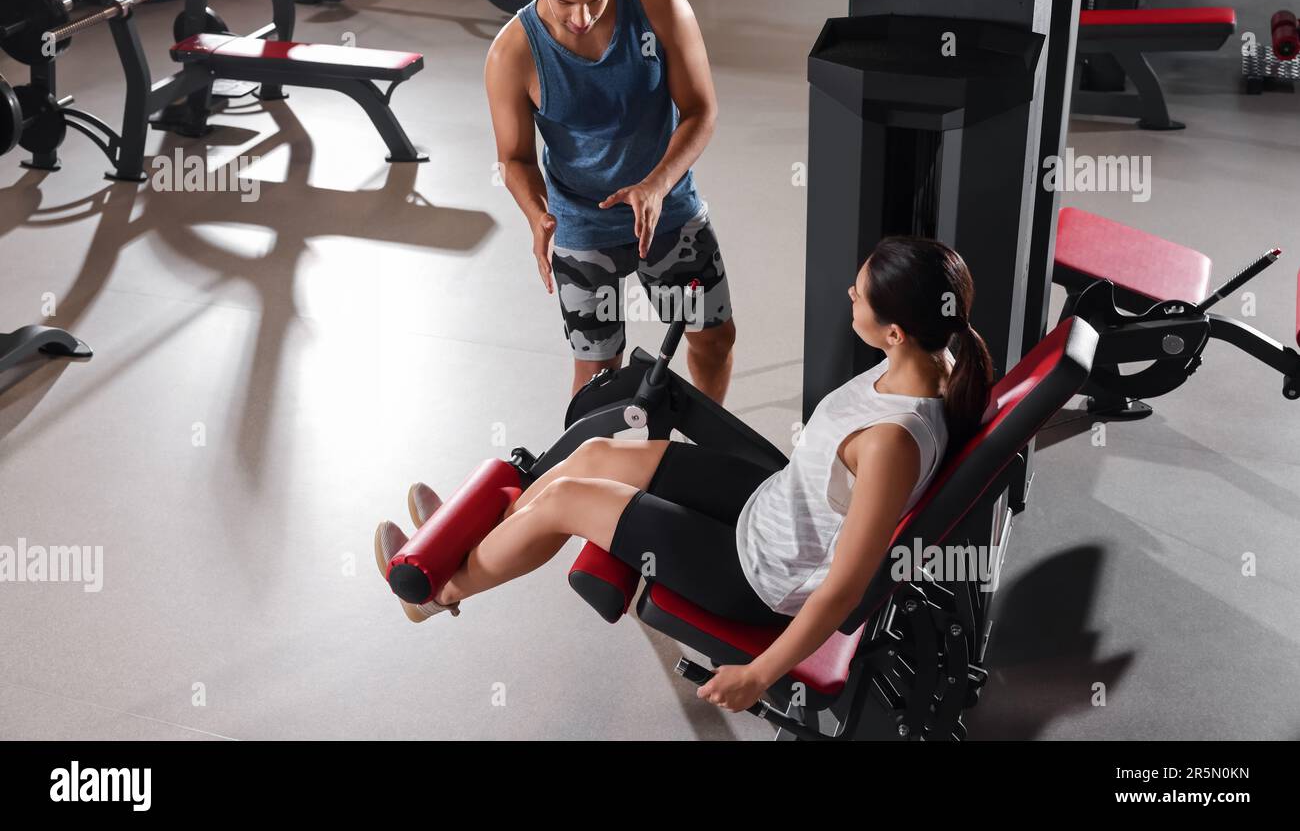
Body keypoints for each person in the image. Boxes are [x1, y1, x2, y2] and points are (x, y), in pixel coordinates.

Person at [374, 237, 994, 713]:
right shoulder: (935, 359)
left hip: (756, 576)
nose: (848, 296)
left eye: (860, 295)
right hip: (771, 506)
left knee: (566, 497)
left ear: (894, 330)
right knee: (591, 456)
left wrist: (760, 674)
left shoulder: (892, 443)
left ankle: (436, 592)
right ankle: (467, 542)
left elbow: (843, 589)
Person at [484, 0, 736, 402]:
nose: (581, 18)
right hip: (581, 220)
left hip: (668, 206)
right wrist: (538, 216)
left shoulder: (660, 3)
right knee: (599, 370)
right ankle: (570, 477)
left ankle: (703, 456)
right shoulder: (512, 53)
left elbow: (701, 110)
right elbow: (514, 158)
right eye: (564, 2)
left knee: (713, 337)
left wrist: (657, 184)